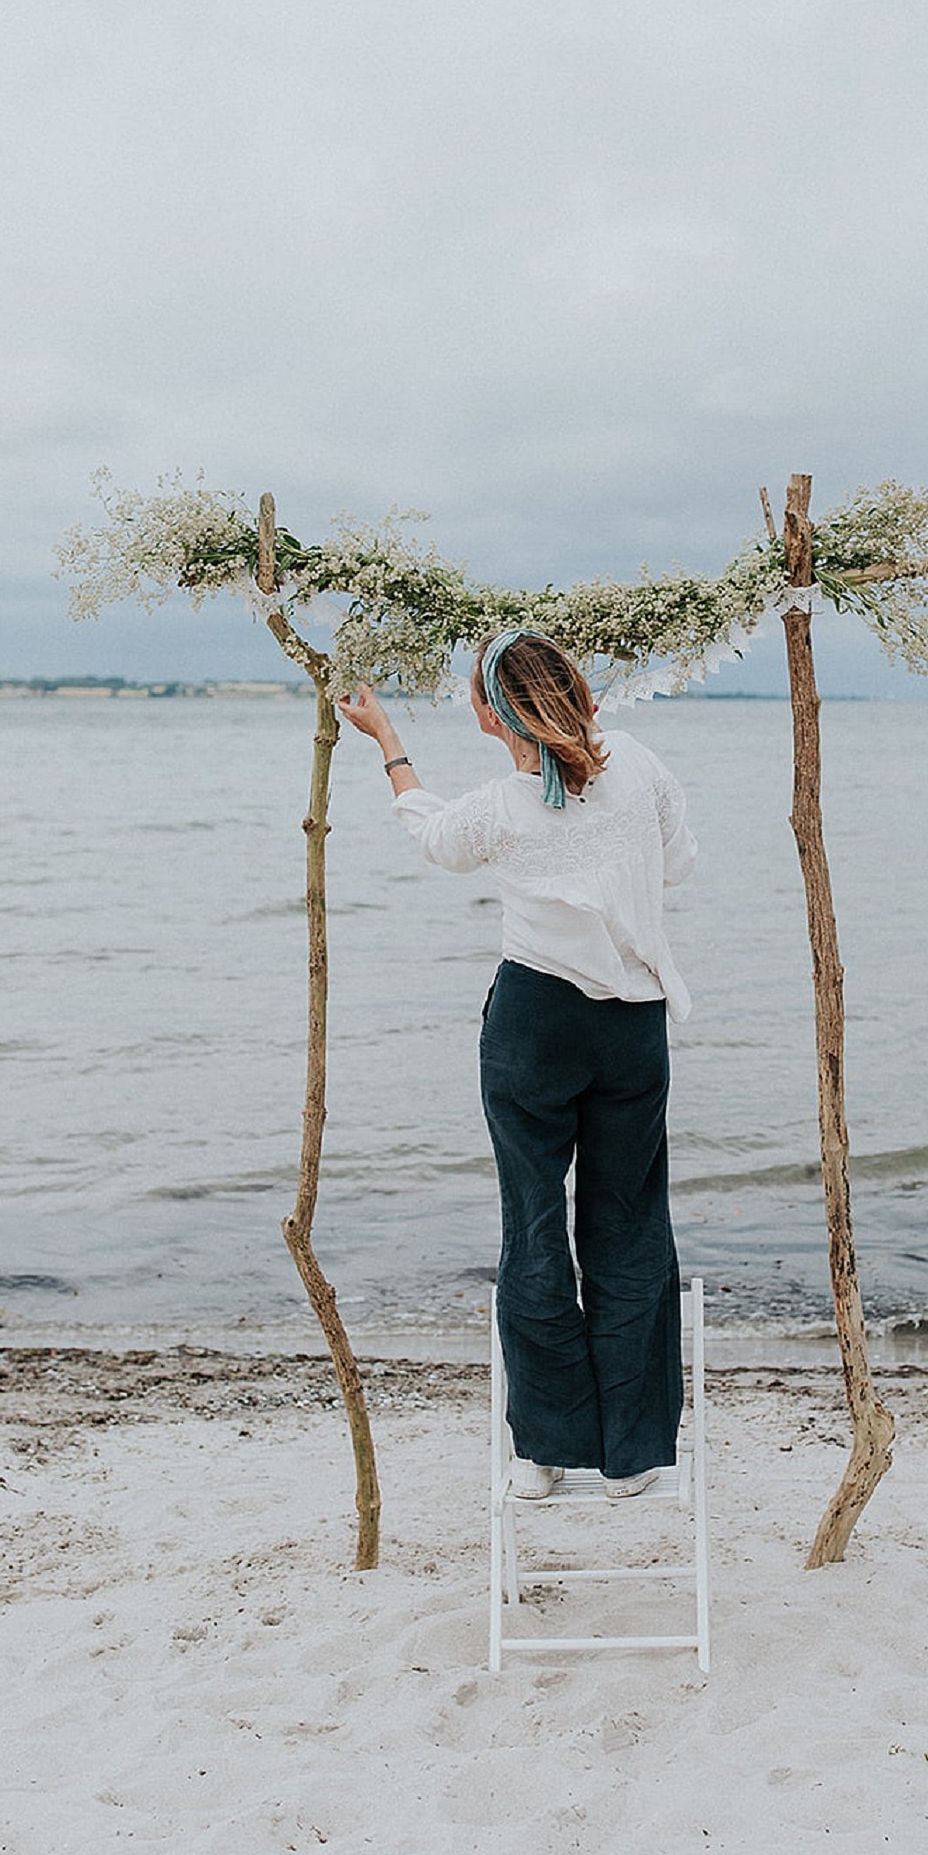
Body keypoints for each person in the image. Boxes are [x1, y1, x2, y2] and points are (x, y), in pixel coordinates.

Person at [338, 630, 697, 1500]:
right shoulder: (640, 766)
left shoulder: (501, 807)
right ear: (577, 691)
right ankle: (631, 1454)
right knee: (629, 1222)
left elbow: (432, 834)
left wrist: (388, 741)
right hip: (633, 1026)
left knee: (533, 1223)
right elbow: (680, 863)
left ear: (489, 714)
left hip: (536, 1023)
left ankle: (544, 1448)